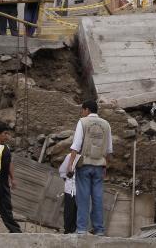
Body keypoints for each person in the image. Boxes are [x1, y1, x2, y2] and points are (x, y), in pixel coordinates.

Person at [67, 99, 113, 236]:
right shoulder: (106, 124)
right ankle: (99, 230)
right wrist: (106, 166)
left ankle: (81, 229)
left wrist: (70, 165)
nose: (82, 113)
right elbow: (110, 150)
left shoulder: (83, 122)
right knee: (98, 198)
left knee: (83, 198)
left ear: (86, 109)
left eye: (82, 110)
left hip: (85, 165)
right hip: (99, 166)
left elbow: (76, 146)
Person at [0, 125, 22, 234]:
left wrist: (13, 178)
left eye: (8, 133)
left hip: (4, 182)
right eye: (5, 133)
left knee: (7, 206)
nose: (7, 136)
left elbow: (10, 163)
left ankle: (15, 230)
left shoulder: (6, 147)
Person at [58, 152, 80, 233]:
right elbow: (62, 171)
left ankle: (71, 230)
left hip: (79, 190)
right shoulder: (70, 156)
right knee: (70, 211)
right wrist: (69, 180)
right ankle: (68, 230)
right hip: (71, 189)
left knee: (74, 211)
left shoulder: (86, 158)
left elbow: (62, 173)